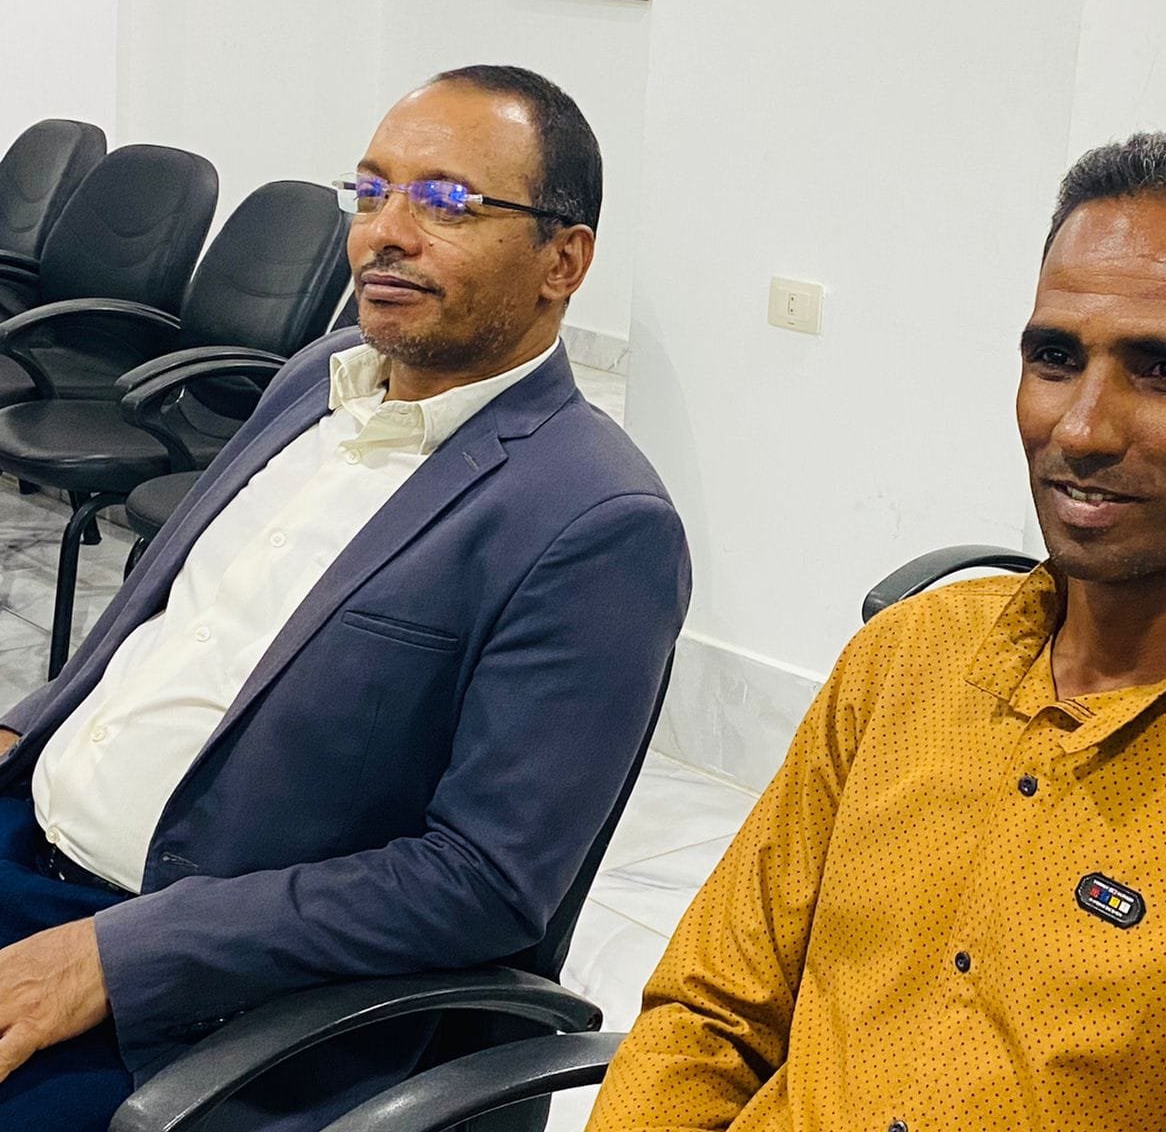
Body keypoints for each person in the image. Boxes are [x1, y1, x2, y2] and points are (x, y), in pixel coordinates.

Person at [588, 130, 1166, 1132]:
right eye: (1055, 358)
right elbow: (708, 1013)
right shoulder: (905, 659)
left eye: (1163, 371)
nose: (1081, 429)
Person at [0, 64, 690, 1131]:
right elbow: (164, 626)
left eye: (446, 202)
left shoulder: (593, 520)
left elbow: (482, 882)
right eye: (371, 192)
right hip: (29, 844)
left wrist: (115, 956)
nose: (384, 234)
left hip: (191, 1001)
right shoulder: (318, 377)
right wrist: (26, 729)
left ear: (564, 260)